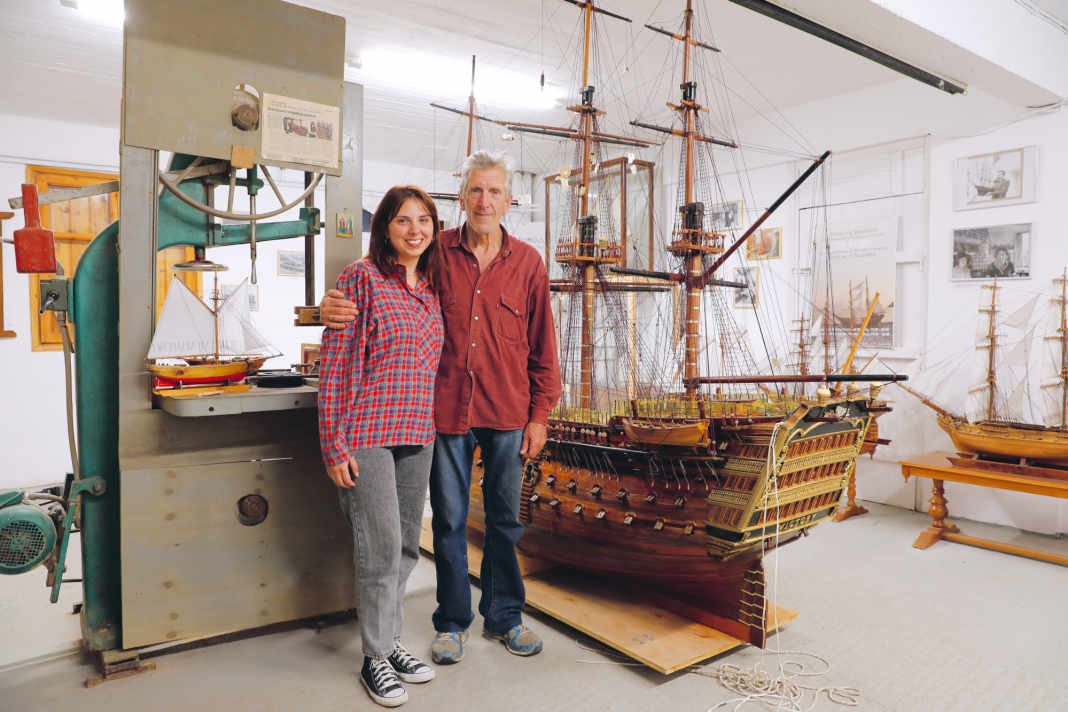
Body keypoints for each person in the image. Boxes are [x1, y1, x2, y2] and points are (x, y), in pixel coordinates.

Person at [320, 150, 562, 665]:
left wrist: (540, 414)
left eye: (495, 191)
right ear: (462, 196)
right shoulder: (435, 254)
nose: (485, 201)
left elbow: (545, 347)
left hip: (509, 413)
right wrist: (328, 305)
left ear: (509, 199)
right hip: (444, 413)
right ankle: (452, 622)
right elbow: (384, 283)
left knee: (504, 522)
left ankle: (505, 617)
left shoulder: (529, 263)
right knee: (449, 522)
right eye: (476, 190)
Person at [319, 185, 445, 707]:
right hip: (366, 432)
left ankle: (390, 644)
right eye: (402, 221)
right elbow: (335, 364)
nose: (414, 230)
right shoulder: (361, 279)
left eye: (424, 220)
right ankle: (374, 658)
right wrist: (333, 444)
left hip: (418, 433)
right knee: (380, 547)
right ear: (385, 228)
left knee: (406, 547)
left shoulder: (433, 288)